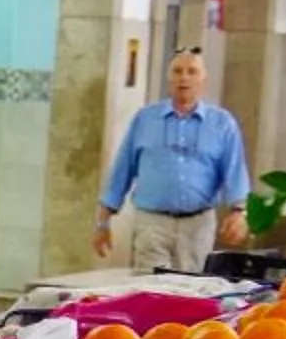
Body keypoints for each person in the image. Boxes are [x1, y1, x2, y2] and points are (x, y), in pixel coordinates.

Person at [94, 51, 252, 272]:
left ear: (203, 80)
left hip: (197, 225)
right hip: (152, 222)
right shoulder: (146, 118)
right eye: (177, 71)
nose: (184, 78)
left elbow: (235, 173)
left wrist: (239, 213)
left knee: (188, 291)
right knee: (151, 290)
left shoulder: (222, 123)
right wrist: (102, 222)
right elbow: (121, 171)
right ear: (169, 78)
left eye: (192, 71)